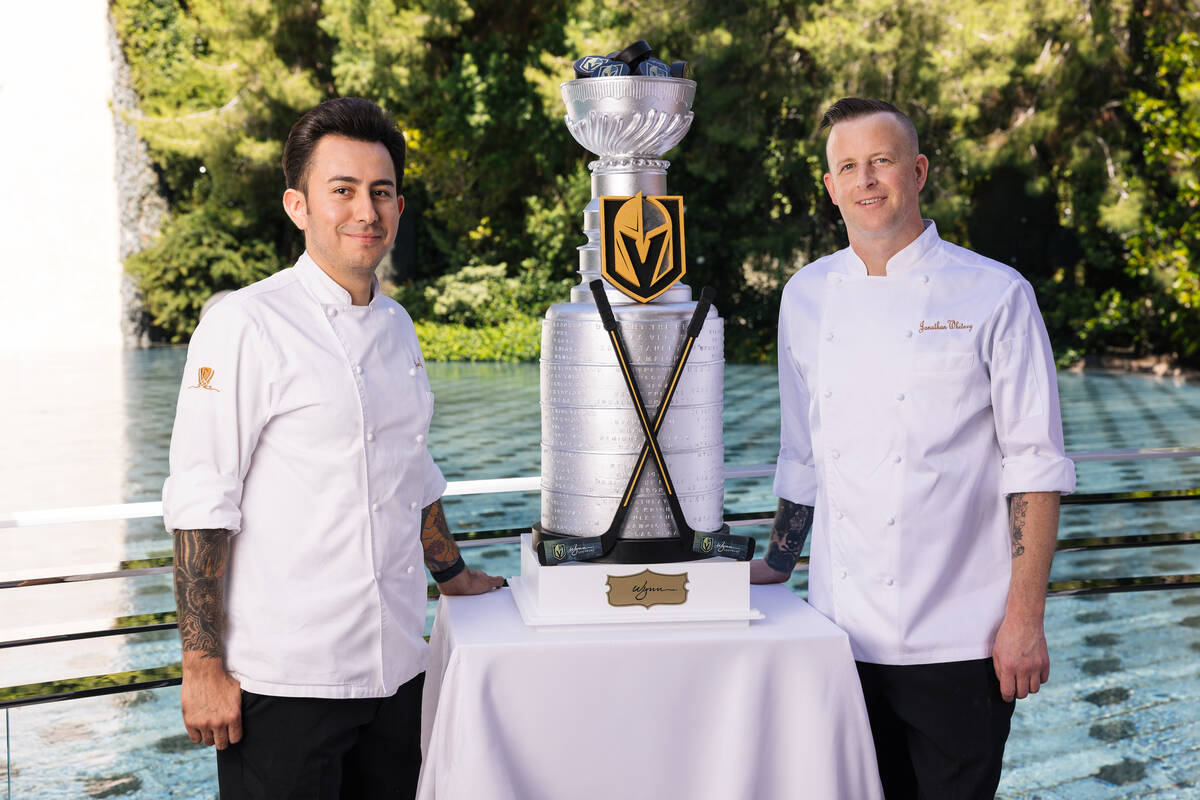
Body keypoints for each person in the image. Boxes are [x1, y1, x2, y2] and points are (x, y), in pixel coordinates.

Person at [162, 96, 503, 799]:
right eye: (342, 191)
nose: (365, 212)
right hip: (287, 684)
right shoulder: (244, 325)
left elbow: (410, 473)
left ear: (400, 207)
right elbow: (203, 495)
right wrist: (201, 665)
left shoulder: (399, 327)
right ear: (298, 205)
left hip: (398, 671)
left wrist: (455, 578)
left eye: (381, 193)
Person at [751, 97, 1076, 797]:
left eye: (882, 161)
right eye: (848, 166)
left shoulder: (996, 293)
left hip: (962, 639)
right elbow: (803, 454)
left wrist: (1025, 620)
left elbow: (1035, 470)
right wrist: (777, 567)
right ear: (830, 187)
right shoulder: (804, 297)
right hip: (841, 638)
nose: (866, 180)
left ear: (918, 171)